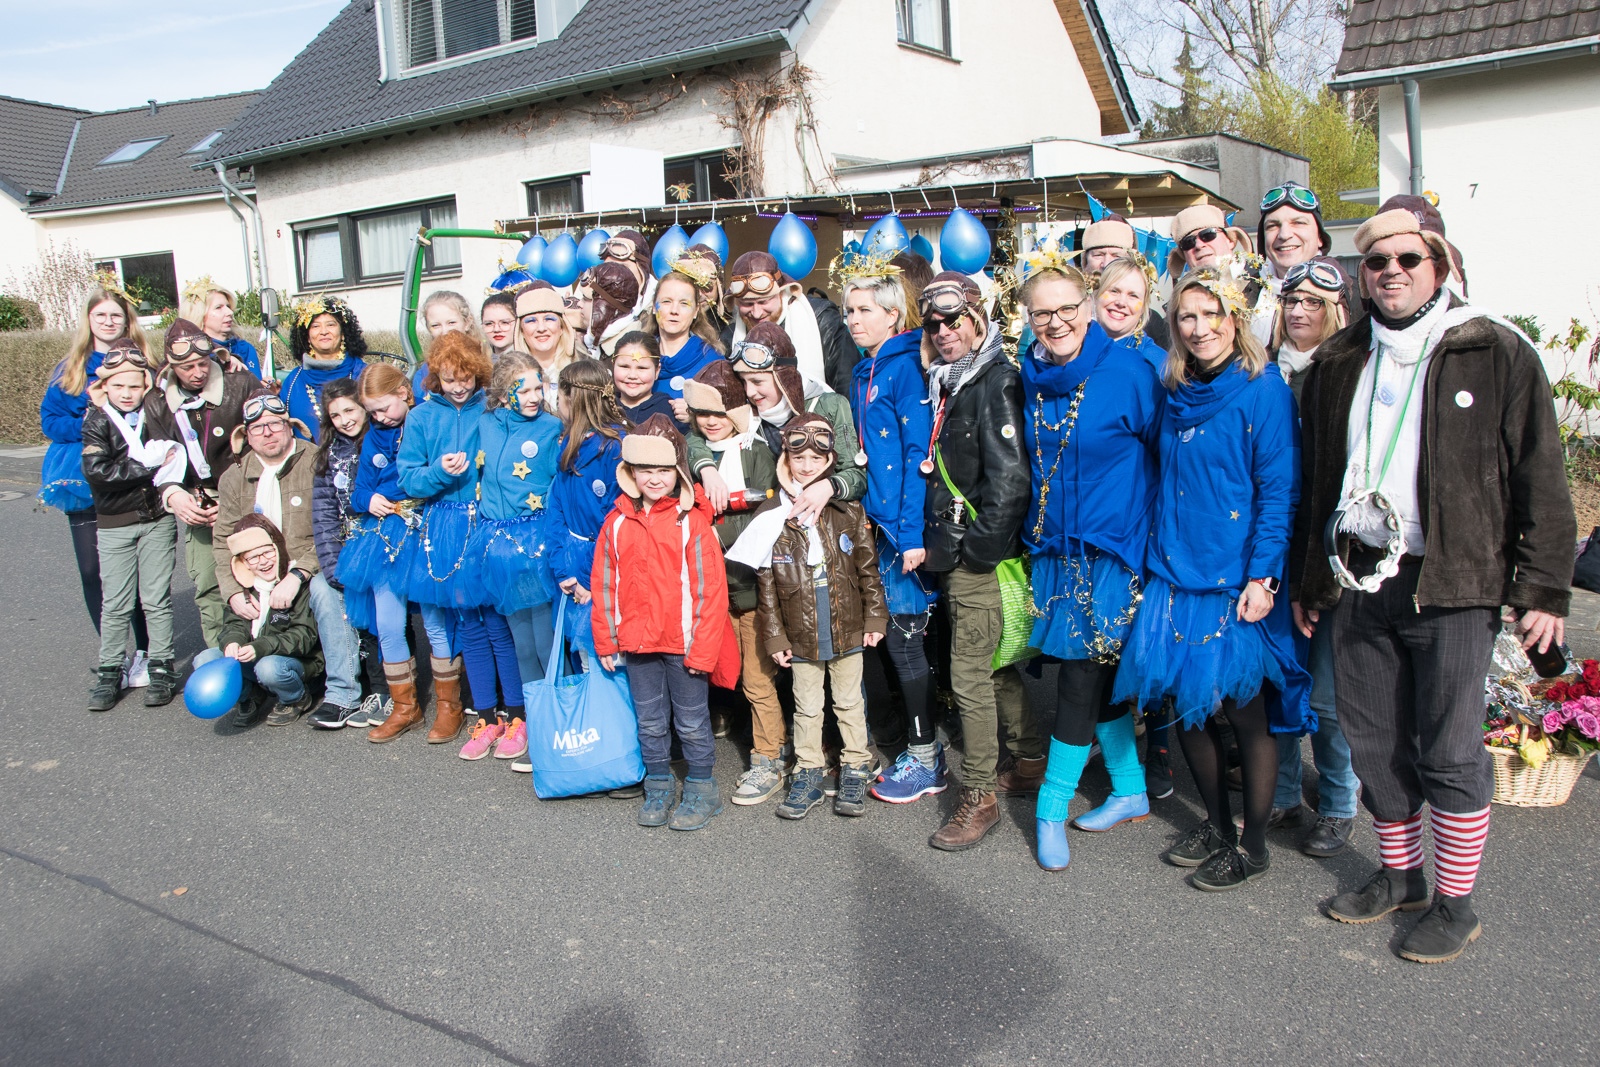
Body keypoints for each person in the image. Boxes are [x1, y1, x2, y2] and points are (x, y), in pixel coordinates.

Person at [1291, 195, 1573, 963]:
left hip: (1454, 581)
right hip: (1360, 578)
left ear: (1438, 265)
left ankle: (1456, 901)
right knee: (1375, 741)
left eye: (1407, 258)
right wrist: (1312, 580)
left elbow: (1542, 474)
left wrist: (1543, 589)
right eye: (1376, 260)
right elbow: (1318, 482)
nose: (1391, 271)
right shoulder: (1340, 359)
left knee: (1449, 750)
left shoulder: (1494, 348)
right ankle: (1400, 874)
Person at [1113, 267, 1309, 892]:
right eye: (1187, 317)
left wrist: (1264, 577)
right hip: (1174, 569)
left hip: (1233, 576)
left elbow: (1278, 493)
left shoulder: (1263, 390)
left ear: (1234, 318)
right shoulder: (1175, 388)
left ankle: (1254, 845)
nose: (1199, 329)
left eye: (1211, 315)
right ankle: (1218, 827)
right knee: (1186, 710)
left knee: (1244, 715)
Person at [1015, 261, 1162, 870]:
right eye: (1042, 313)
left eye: (1067, 309)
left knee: (1079, 677)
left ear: (1089, 306)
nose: (1057, 322)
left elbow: (1166, 458)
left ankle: (1050, 809)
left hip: (1114, 551)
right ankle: (1130, 789)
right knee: (1094, 675)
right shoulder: (1029, 374)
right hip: (1055, 550)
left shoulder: (1131, 371)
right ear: (1028, 319)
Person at [917, 272, 1038, 851]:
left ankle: (980, 794)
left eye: (954, 319)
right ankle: (1030, 759)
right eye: (933, 324)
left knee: (968, 674)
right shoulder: (950, 382)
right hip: (956, 552)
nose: (943, 331)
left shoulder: (996, 380)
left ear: (979, 319)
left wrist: (979, 553)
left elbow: (1011, 480)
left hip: (976, 557)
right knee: (992, 666)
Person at [741, 413, 888, 819]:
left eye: (815, 459)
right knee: (806, 706)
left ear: (830, 461)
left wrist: (876, 618)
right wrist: (775, 637)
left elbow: (868, 569)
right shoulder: (772, 515)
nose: (806, 466)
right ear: (785, 459)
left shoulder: (848, 510)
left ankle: (855, 765)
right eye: (798, 457)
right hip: (801, 631)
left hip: (847, 625)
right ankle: (808, 771)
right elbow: (766, 587)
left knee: (849, 703)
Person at [592, 414, 730, 831]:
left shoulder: (692, 523)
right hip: (637, 643)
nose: (655, 479)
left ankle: (702, 787)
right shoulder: (616, 524)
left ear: (678, 473)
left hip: (684, 644)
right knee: (649, 720)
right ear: (630, 473)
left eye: (664, 470)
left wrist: (703, 650)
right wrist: (606, 640)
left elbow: (710, 592)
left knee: (691, 720)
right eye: (645, 470)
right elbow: (604, 585)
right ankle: (658, 783)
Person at [1266, 255, 1361, 856]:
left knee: (1326, 695)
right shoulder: (1262, 369)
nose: (1300, 311)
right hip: (1274, 547)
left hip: (1326, 550)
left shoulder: (1351, 371)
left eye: (1313, 303)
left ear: (1336, 310)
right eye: (1291, 301)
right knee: (1275, 680)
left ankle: (1338, 802)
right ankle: (1279, 794)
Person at [838, 266, 944, 803]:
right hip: (874, 527)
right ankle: (912, 747)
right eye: (848, 310)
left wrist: (908, 534)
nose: (853, 319)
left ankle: (927, 759)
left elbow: (915, 455)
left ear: (893, 314)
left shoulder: (904, 368)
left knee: (904, 642)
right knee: (884, 641)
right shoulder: (865, 370)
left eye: (864, 310)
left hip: (900, 530)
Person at [214, 387, 362, 728]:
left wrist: (298, 575)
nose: (267, 433)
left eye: (275, 424)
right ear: (246, 435)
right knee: (230, 610)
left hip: (313, 563)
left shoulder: (316, 460)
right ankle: (252, 684)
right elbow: (223, 540)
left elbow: (335, 527)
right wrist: (233, 591)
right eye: (257, 428)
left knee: (326, 590)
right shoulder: (234, 477)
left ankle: (343, 693)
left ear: (289, 425)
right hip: (258, 570)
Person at [39, 280, 152, 687]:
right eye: (100, 315)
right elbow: (50, 421)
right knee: (92, 571)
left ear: (127, 320)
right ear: (88, 320)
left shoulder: (144, 363)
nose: (107, 322)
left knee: (135, 574)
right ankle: (113, 656)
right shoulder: (70, 367)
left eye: (115, 315)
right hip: (84, 479)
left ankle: (146, 653)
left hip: (132, 476)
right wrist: (92, 422)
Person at [683, 360, 786, 804]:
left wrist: (733, 508)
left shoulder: (756, 450)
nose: (710, 421)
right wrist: (706, 471)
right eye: (702, 413)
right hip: (710, 588)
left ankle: (769, 757)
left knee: (758, 678)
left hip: (752, 585)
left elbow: (770, 511)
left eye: (720, 412)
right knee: (716, 669)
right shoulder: (693, 447)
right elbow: (688, 444)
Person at [398, 331, 507, 747]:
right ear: (435, 377)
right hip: (444, 526)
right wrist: (439, 472)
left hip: (488, 520)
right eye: (448, 379)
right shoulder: (421, 417)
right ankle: (480, 709)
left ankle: (513, 709)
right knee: (466, 621)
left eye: (465, 378)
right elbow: (409, 479)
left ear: (478, 373)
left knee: (497, 620)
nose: (458, 387)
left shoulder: (492, 409)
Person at [463, 352, 565, 763]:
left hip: (535, 543)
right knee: (521, 644)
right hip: (497, 546)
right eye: (526, 389)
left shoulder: (552, 428)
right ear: (505, 393)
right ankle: (534, 726)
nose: (535, 396)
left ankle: (558, 726)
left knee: (544, 641)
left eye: (540, 387)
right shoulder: (485, 423)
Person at [142, 318, 258, 650]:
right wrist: (173, 494)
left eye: (203, 363)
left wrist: (234, 500)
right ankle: (223, 659)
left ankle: (263, 655)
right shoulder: (157, 401)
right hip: (200, 504)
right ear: (170, 366)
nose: (197, 372)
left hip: (246, 496)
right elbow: (158, 456)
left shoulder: (240, 384)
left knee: (259, 576)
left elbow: (265, 445)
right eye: (187, 367)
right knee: (209, 583)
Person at [80, 340, 181, 711]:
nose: (126, 393)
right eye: (118, 385)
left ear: (146, 385)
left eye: (134, 386)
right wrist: (148, 468)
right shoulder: (97, 420)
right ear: (104, 386)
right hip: (114, 522)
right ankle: (110, 670)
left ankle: (161, 666)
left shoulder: (155, 413)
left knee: (156, 599)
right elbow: (98, 472)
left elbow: (178, 446)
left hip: (156, 518)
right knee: (116, 602)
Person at [337, 365, 426, 742]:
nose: (379, 418)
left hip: (429, 529)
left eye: (384, 408)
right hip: (386, 537)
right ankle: (405, 706)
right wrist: (369, 499)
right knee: (389, 624)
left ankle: (456, 702)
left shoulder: (426, 420)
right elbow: (359, 491)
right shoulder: (375, 435)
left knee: (439, 624)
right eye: (371, 412)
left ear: (405, 392)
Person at [308, 376, 391, 729]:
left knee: (388, 621)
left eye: (350, 410)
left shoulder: (383, 441)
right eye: (335, 415)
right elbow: (324, 514)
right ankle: (370, 691)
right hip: (350, 550)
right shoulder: (329, 456)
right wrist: (332, 566)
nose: (344, 420)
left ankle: (392, 691)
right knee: (364, 623)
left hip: (386, 545)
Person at [725, 321, 867, 526]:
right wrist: (707, 469)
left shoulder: (829, 405)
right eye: (744, 382)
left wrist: (828, 487)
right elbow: (700, 435)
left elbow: (857, 476)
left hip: (826, 522)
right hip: (771, 523)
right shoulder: (749, 414)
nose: (749, 392)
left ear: (783, 377)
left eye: (757, 382)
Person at [195, 515, 323, 725]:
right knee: (205, 660)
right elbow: (233, 625)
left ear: (277, 549)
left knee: (268, 668)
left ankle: (295, 698)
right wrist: (232, 642)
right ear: (243, 563)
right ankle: (250, 695)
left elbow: (303, 636)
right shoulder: (244, 589)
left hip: (295, 662)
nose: (263, 561)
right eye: (253, 558)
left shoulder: (296, 586)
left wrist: (260, 646)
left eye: (267, 552)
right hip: (254, 658)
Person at [545, 360, 628, 644]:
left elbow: (614, 520)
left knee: (605, 651)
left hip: (602, 567)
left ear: (571, 399)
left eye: (559, 396)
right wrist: (562, 569)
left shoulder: (616, 448)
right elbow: (555, 510)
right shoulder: (569, 442)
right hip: (570, 562)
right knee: (579, 653)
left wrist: (586, 577)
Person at [725, 251, 857, 394]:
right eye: (747, 304)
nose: (756, 313)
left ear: (782, 292)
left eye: (763, 301)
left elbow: (847, 385)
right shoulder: (731, 336)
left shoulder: (821, 319)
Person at [642, 260, 724, 416]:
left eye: (684, 303)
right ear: (654, 307)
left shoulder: (713, 362)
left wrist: (697, 416)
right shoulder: (637, 356)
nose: (674, 310)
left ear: (696, 311)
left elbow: (730, 417)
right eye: (666, 302)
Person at [281, 295, 368, 443]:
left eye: (331, 325)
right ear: (307, 336)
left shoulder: (363, 374)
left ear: (343, 332)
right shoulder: (293, 381)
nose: (324, 331)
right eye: (315, 326)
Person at [1080, 214, 1170, 349]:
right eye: (1098, 255)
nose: (1106, 263)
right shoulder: (1071, 314)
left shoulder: (1152, 324)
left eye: (1116, 255)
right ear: (1085, 262)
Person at [1091, 253, 1166, 368]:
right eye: (1114, 291)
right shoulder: (1072, 347)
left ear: (1143, 307)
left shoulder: (1159, 363)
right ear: (1097, 295)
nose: (1121, 302)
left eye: (1133, 296)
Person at [179, 277, 262, 378]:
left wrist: (266, 386)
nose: (229, 312)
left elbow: (255, 385)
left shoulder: (245, 348)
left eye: (228, 306)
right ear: (199, 315)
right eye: (218, 307)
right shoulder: (187, 351)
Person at [414, 289, 491, 396]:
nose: (445, 331)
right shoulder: (423, 375)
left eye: (451, 323)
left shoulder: (487, 364)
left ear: (467, 322)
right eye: (436, 325)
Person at [515, 283, 578, 411]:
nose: (541, 328)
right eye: (531, 321)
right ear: (521, 331)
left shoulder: (584, 370)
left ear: (562, 327)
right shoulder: (509, 376)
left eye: (549, 319)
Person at [610, 332, 682, 428]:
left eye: (642, 368)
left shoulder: (670, 412)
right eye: (624, 367)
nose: (632, 375)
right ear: (613, 366)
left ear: (657, 371)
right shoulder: (601, 408)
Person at [587, 262, 642, 359]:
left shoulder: (632, 352)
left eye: (585, 299)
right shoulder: (590, 343)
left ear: (605, 306)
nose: (579, 303)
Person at [481, 292, 519, 361]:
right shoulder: (476, 359)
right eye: (489, 324)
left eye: (504, 322)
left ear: (518, 323)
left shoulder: (530, 360)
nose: (496, 329)